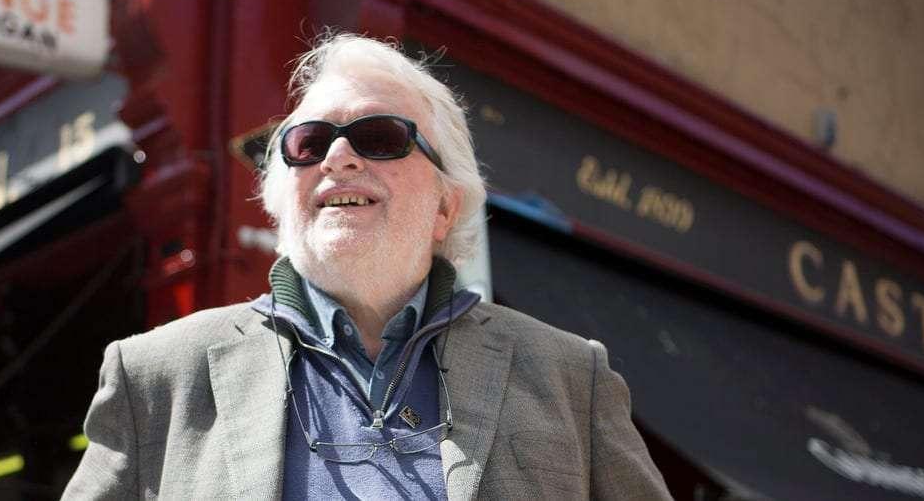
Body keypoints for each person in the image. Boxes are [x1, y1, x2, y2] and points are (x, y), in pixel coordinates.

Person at [63, 34, 670, 500]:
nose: (337, 156)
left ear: (445, 206)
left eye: (379, 137)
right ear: (281, 201)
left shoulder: (572, 378)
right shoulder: (155, 377)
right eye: (308, 143)